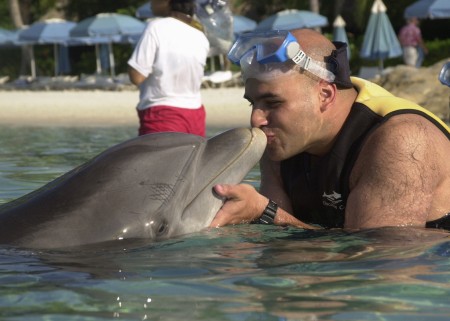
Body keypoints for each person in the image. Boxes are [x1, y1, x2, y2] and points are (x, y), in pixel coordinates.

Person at [210, 29, 450, 231]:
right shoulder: (281, 139)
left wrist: (266, 213)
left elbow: (378, 264)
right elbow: (277, 243)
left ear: (324, 95)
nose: (256, 119)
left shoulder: (401, 142)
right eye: (253, 103)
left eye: (272, 103)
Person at [128, 0, 210, 137]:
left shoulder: (155, 27)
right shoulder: (201, 36)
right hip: (195, 116)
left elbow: (137, 76)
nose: (151, 3)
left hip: (163, 115)